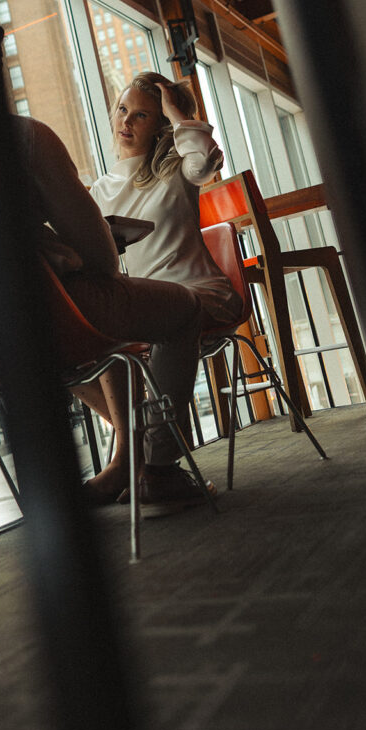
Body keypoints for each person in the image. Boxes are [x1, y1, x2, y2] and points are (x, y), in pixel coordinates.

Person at [0, 29, 212, 516]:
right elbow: (101, 258)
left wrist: (34, 245)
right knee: (184, 308)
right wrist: (61, 249)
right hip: (45, 321)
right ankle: (159, 469)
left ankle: (126, 458)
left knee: (78, 341)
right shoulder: (23, 135)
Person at [84, 72, 244, 503]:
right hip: (143, 304)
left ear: (160, 126)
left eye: (141, 114)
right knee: (71, 334)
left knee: (173, 314)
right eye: (122, 110)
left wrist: (177, 113)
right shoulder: (101, 189)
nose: (126, 121)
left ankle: (157, 467)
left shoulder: (177, 169)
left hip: (198, 292)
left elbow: (205, 161)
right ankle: (145, 446)